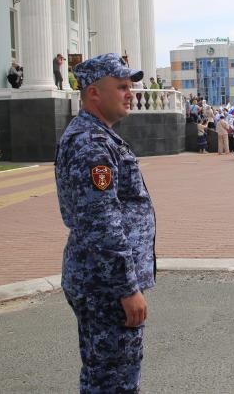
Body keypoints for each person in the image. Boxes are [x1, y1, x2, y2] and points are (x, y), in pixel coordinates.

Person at [55, 53, 155, 393]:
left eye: (131, 86)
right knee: (114, 380)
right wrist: (126, 288)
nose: (131, 93)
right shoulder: (92, 144)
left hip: (99, 280)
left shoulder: (98, 136)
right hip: (106, 286)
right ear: (94, 93)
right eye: (122, 86)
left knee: (104, 374)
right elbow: (102, 223)